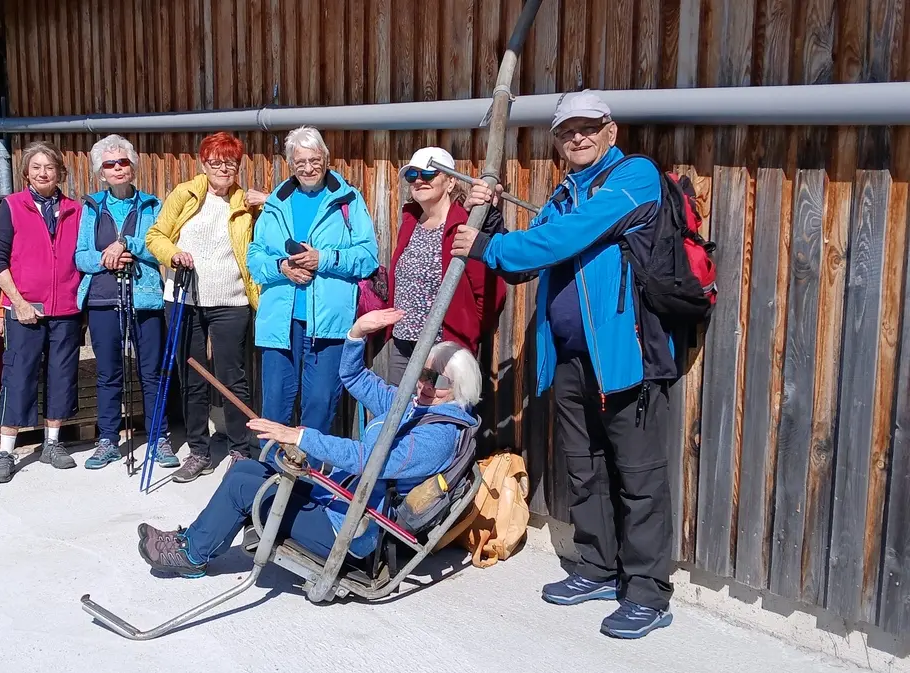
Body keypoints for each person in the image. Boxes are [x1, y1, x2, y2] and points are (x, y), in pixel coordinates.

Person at [452, 90, 675, 639]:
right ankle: (597, 568)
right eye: (566, 131)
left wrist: (486, 247)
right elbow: (526, 261)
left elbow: (562, 240)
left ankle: (647, 593)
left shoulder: (635, 177)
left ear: (610, 131)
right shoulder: (563, 193)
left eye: (587, 127)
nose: (577, 137)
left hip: (626, 359)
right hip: (572, 359)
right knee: (584, 466)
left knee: (639, 478)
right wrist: (494, 220)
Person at [135, 308, 481, 578]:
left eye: (437, 380)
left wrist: (300, 436)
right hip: (338, 499)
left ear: (459, 390)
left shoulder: (438, 436)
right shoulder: (413, 406)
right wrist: (357, 332)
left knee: (243, 488)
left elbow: (367, 459)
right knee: (248, 469)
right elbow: (353, 376)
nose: (424, 385)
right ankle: (194, 539)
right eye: (423, 373)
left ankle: (192, 554)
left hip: (349, 529)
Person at [246, 127, 379, 461]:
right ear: (290, 163)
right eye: (300, 161)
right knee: (274, 405)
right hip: (280, 323)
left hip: (329, 324)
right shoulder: (276, 203)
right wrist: (281, 267)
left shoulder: (348, 200)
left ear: (326, 159)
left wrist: (325, 259)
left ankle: (312, 478)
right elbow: (255, 256)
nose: (308, 168)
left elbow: (368, 257)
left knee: (319, 405)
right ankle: (271, 473)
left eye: (314, 160)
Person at [145, 132, 259, 484]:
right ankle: (199, 452)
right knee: (191, 377)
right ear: (204, 163)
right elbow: (155, 236)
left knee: (231, 377)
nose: (223, 169)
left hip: (231, 300)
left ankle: (241, 450)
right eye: (216, 162)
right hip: (184, 298)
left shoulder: (246, 202)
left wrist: (269, 202)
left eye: (230, 163)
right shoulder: (185, 194)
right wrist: (173, 254)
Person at [0, 141, 84, 484]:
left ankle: (52, 443)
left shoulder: (75, 210)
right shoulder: (12, 206)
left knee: (61, 375)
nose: (43, 173)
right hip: (24, 309)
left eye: (50, 167)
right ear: (26, 173)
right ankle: (6, 450)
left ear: (60, 172)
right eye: (36, 167)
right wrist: (18, 301)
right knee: (18, 375)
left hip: (66, 309)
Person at [76, 135, 175, 469]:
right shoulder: (92, 207)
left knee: (152, 372)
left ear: (133, 166)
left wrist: (129, 244)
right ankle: (107, 440)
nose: (117, 168)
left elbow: (161, 248)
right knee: (108, 373)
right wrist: (108, 258)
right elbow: (81, 256)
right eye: (110, 164)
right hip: (103, 299)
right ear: (101, 172)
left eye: (123, 162)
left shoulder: (152, 205)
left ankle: (158, 438)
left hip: (145, 299)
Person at [383, 146, 508, 383]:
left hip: (444, 348)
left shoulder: (464, 225)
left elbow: (492, 292)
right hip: (403, 343)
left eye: (428, 174)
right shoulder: (410, 223)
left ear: (451, 182)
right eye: (412, 175)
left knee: (442, 406)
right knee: (395, 405)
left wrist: (467, 329)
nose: (419, 180)